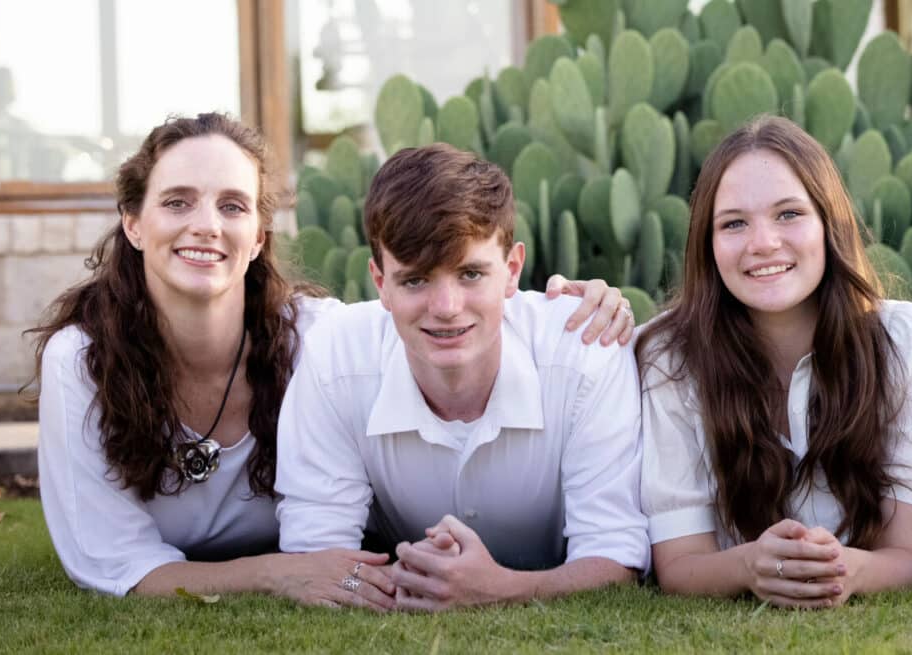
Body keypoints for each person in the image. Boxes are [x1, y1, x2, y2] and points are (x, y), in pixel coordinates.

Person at [31, 114, 633, 607]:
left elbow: (418, 309)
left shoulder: (316, 338)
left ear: (261, 237)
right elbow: (116, 562)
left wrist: (577, 306)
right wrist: (277, 574)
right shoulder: (81, 362)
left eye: (235, 206)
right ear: (133, 223)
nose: (207, 225)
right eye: (178, 202)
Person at [274, 143, 649, 611]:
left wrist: (497, 590)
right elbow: (319, 561)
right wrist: (418, 582)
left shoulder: (585, 348)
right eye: (415, 280)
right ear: (380, 283)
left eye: (470, 273)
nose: (447, 308)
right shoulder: (334, 358)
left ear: (512, 270)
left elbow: (617, 561)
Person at [635, 116, 912, 609]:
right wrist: (750, 565)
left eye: (788, 214)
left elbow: (906, 554)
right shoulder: (670, 358)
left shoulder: (909, 342)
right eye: (734, 223)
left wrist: (851, 570)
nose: (762, 242)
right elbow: (679, 562)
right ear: (707, 243)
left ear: (830, 223)